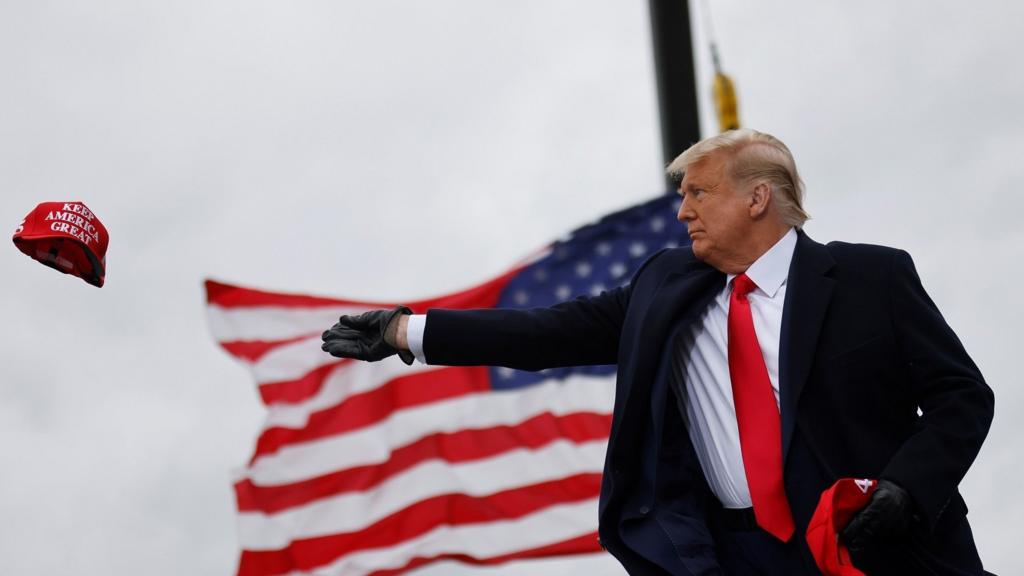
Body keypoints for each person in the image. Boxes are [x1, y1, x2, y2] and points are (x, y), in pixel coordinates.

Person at [322, 129, 994, 575]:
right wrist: (403, 331)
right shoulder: (664, 287)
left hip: (874, 546)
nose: (682, 212)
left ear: (758, 198)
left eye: (698, 193)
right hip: (736, 554)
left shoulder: (872, 277)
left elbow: (962, 397)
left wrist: (907, 491)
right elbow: (546, 334)